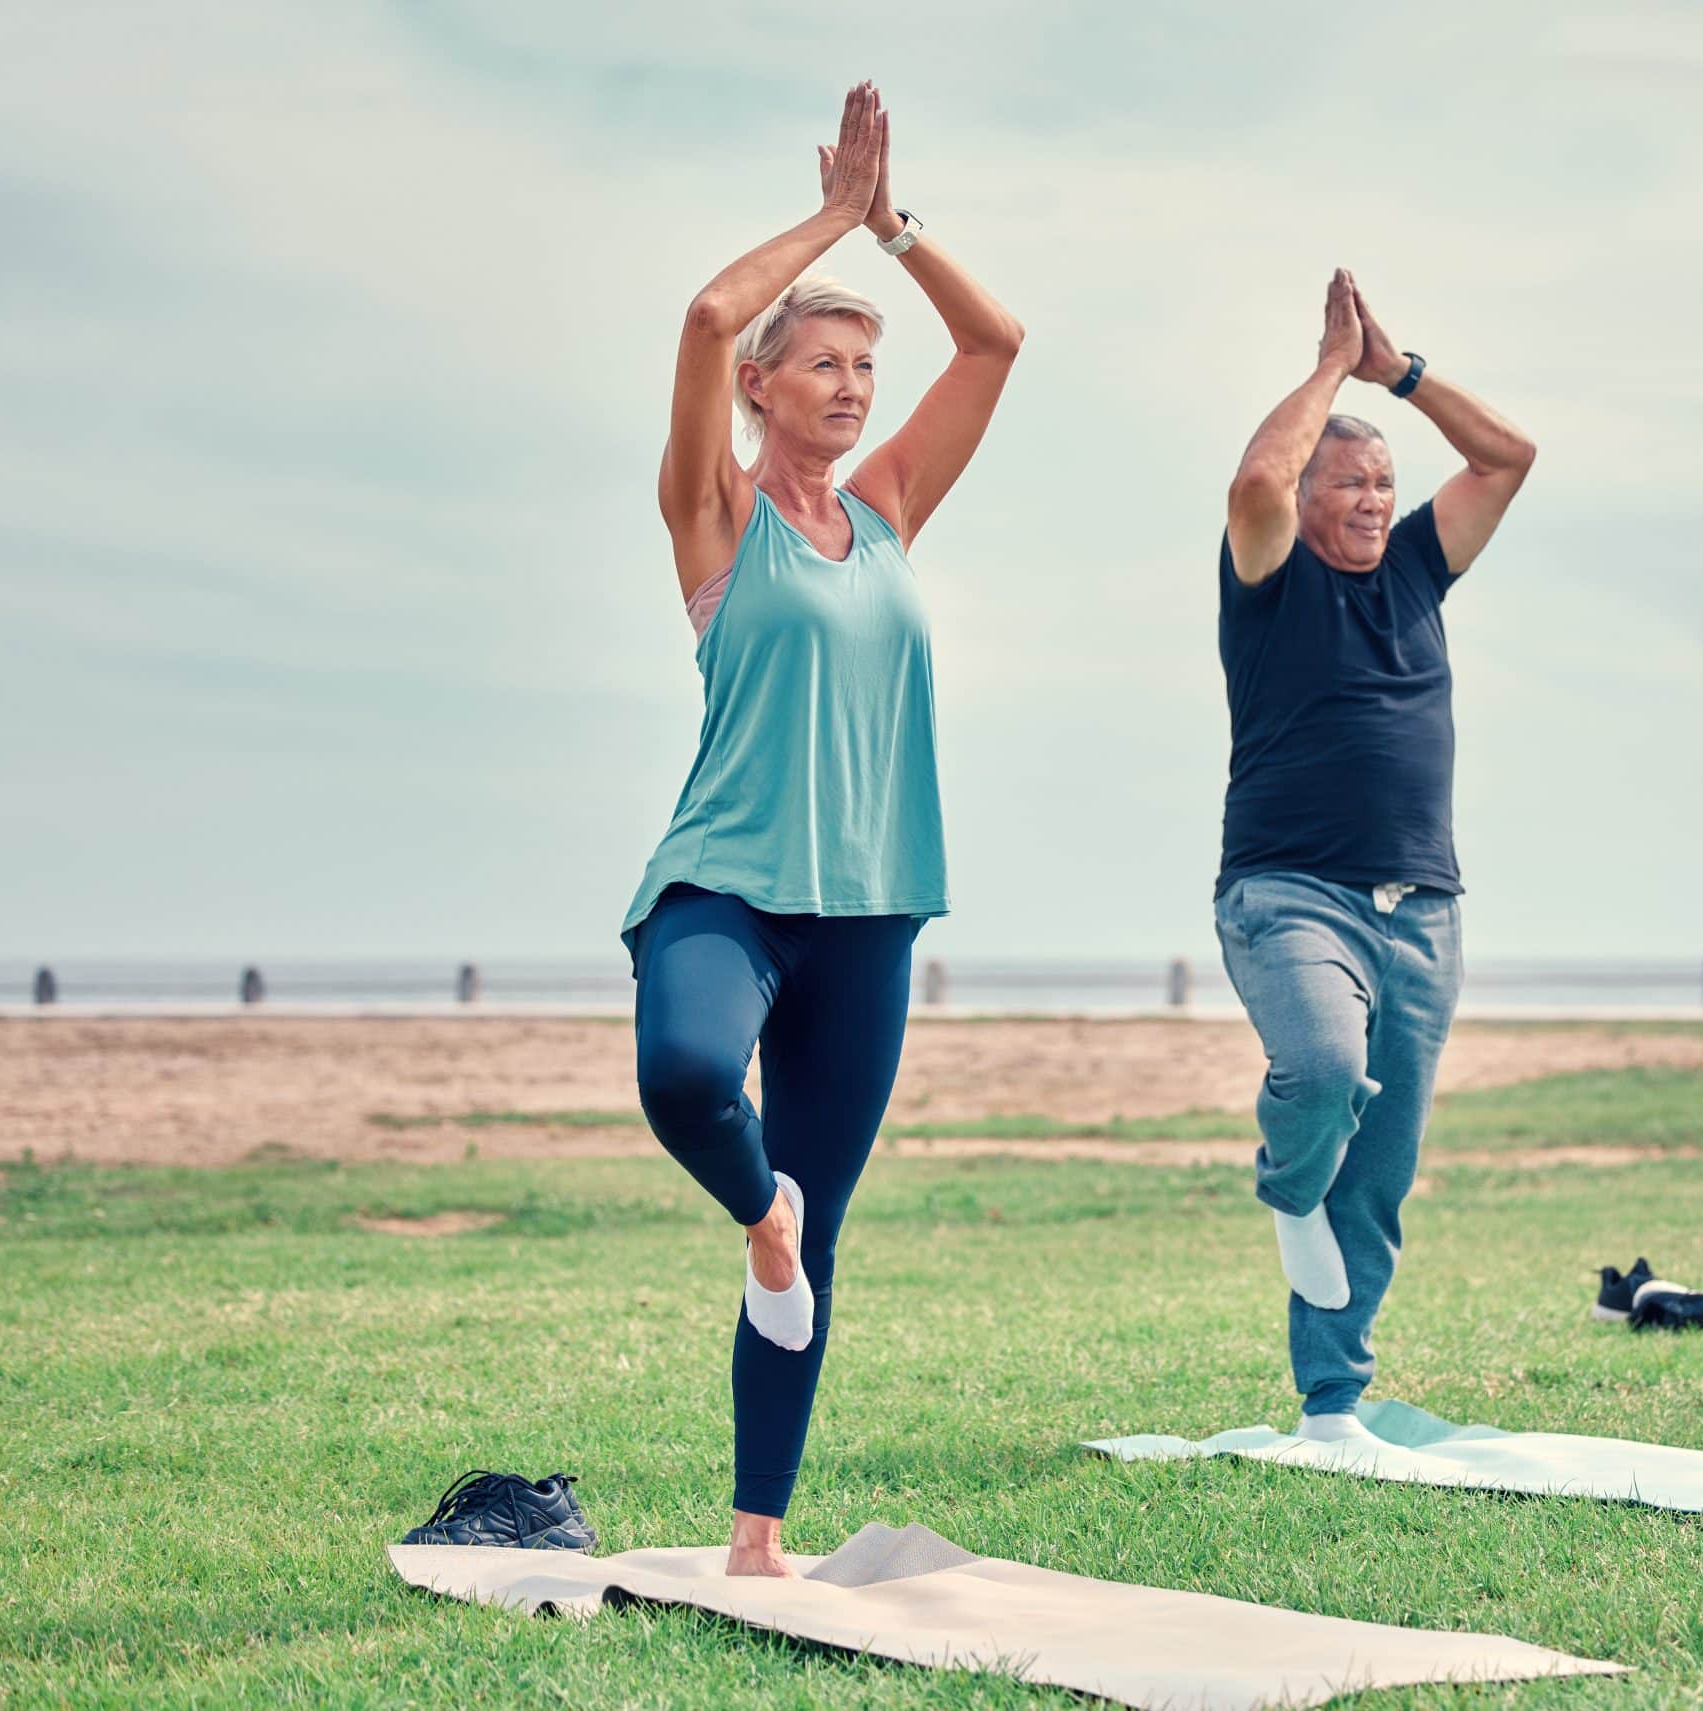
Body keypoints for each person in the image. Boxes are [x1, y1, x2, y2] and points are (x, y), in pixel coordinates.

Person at [623, 83, 1023, 1576]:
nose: (853, 386)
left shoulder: (895, 508)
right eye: (826, 363)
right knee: (681, 1075)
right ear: (764, 388)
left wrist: (898, 228)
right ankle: (757, 1204)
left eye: (866, 364)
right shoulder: (715, 513)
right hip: (723, 884)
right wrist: (831, 218)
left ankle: (754, 1537)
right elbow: (704, 312)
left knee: (823, 1228)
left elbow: (998, 345)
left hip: (870, 908)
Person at [1214, 268, 1535, 1443]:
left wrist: (1396, 372)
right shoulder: (1266, 575)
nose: (1368, 498)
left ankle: (1332, 1403)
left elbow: (1509, 456)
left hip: (1425, 908)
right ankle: (1286, 1185)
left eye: (1382, 482)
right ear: (1306, 496)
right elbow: (1257, 476)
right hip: (1288, 893)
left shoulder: (1414, 567)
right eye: (1346, 481)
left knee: (1384, 1170)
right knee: (1318, 1067)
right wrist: (1324, 372)